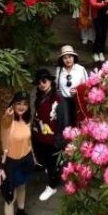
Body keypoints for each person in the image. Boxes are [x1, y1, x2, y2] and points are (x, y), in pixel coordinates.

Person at [0, 91, 36, 215]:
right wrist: (8, 115)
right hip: (11, 162)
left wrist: (33, 156)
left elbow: (28, 140)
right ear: (13, 105)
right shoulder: (8, 121)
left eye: (25, 104)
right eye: (18, 103)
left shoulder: (26, 119)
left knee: (22, 186)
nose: (21, 107)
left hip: (26, 159)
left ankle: (20, 212)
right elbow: (6, 121)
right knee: (10, 196)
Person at [32, 68, 68, 202]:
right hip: (40, 135)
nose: (42, 84)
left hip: (53, 138)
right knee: (45, 160)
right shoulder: (39, 97)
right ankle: (51, 172)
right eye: (39, 82)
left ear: (50, 81)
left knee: (54, 164)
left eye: (44, 80)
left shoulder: (58, 99)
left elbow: (63, 121)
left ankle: (52, 186)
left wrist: (60, 140)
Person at [55, 45, 88, 126]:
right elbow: (56, 86)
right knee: (66, 123)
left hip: (78, 99)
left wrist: (78, 91)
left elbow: (87, 85)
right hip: (64, 100)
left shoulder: (81, 69)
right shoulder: (59, 70)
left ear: (74, 57)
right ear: (61, 59)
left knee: (78, 121)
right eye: (65, 58)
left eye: (70, 57)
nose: (68, 60)